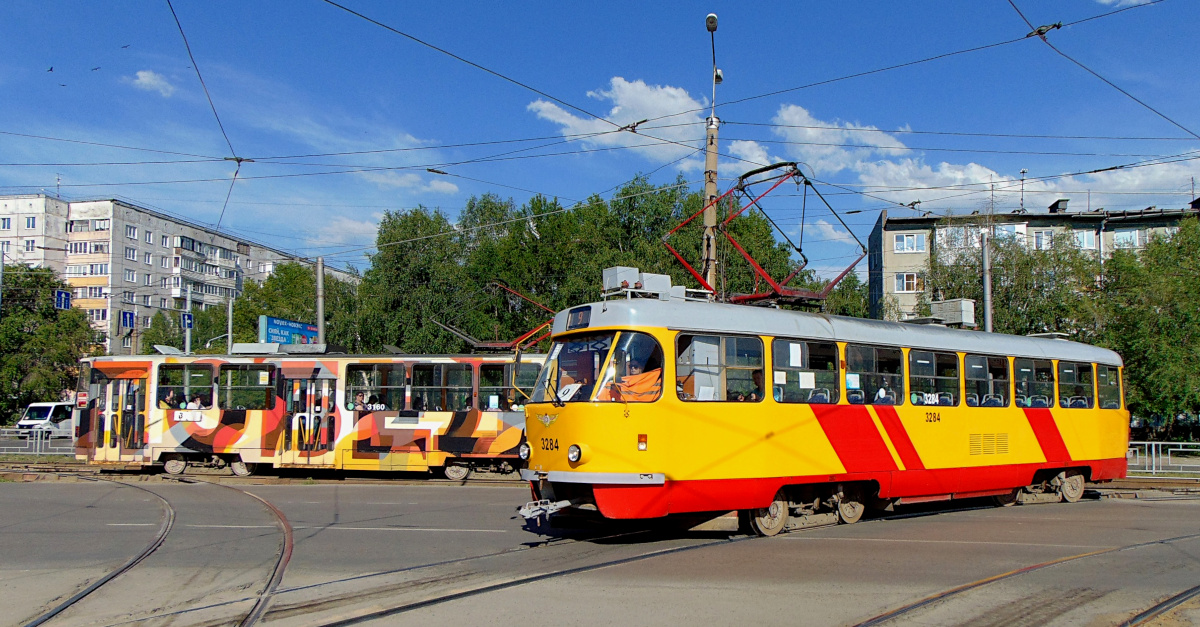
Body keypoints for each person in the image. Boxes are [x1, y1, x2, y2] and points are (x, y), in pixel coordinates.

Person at [596, 356, 662, 402]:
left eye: (635, 367)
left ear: (642, 368)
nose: (632, 368)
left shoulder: (649, 380)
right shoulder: (625, 380)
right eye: (631, 366)